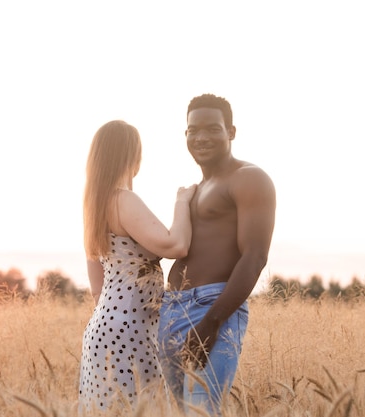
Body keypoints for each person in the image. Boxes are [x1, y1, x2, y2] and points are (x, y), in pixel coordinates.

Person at [158, 94, 276, 416]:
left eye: (212, 129)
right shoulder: (196, 189)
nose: (201, 137)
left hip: (211, 309)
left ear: (231, 132)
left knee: (202, 412)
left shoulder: (249, 178)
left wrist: (212, 322)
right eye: (193, 130)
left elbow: (254, 256)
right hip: (173, 311)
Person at [79, 120, 197, 414]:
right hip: (131, 329)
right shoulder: (123, 200)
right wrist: (182, 202)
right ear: (132, 156)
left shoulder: (95, 206)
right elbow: (175, 245)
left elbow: (97, 286)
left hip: (103, 327)